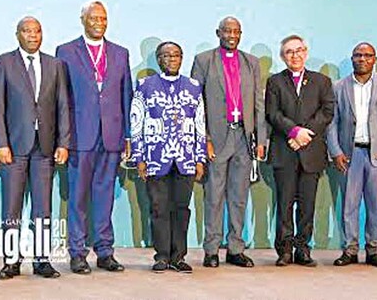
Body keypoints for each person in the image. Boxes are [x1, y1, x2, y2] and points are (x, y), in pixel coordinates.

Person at [0, 16, 70, 280]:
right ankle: (11, 261)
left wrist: (63, 142)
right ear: (17, 34)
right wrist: (0, 143)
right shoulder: (4, 63)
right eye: (27, 31)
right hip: (13, 147)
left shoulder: (55, 64)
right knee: (11, 207)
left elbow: (62, 106)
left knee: (43, 208)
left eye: (37, 31)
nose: (33, 36)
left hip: (45, 148)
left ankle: (42, 260)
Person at [56, 0, 132, 274]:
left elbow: (127, 96)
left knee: (105, 196)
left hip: (111, 136)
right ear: (83, 20)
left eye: (103, 17)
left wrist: (127, 136)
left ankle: (105, 251)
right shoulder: (65, 51)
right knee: (77, 197)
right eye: (93, 18)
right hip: (79, 136)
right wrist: (62, 139)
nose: (99, 22)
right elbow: (61, 99)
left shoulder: (120, 53)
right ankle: (77, 253)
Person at [190, 16, 266, 268]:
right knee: (214, 195)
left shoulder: (251, 62)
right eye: (227, 31)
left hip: (243, 138)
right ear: (218, 32)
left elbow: (258, 103)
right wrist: (204, 140)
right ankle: (211, 249)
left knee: (239, 196)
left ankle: (235, 248)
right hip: (216, 138)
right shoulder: (203, 60)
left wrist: (261, 139)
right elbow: (195, 105)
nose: (232, 35)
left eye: (236, 31)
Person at [131, 41, 206, 273]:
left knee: (181, 208)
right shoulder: (145, 86)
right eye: (166, 56)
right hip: (155, 157)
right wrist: (139, 156)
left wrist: (200, 158)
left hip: (185, 158)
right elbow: (136, 123)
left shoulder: (193, 86)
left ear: (181, 58)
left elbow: (200, 124)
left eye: (175, 55)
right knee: (159, 208)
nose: (171, 59)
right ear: (158, 59)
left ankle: (178, 256)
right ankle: (162, 255)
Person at [265, 35, 334, 267]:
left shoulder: (322, 81)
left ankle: (303, 249)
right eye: (289, 52)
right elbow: (272, 114)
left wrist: (304, 135)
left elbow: (327, 112)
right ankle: (284, 251)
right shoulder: (275, 82)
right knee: (284, 204)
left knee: (307, 206)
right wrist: (293, 131)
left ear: (306, 52)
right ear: (282, 57)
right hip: (284, 152)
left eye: (299, 50)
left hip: (311, 153)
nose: (295, 55)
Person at [326, 42, 377, 268]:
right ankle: (350, 249)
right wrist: (335, 151)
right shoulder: (339, 87)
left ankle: (374, 249)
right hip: (350, 154)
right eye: (358, 55)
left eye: (367, 55)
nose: (362, 59)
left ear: (374, 59)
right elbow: (332, 123)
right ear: (352, 58)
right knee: (349, 204)